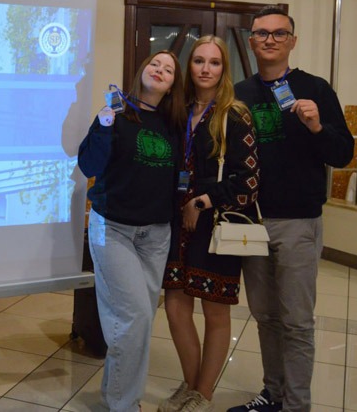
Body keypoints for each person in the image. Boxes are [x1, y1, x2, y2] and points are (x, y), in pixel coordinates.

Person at [229, 6, 354, 412]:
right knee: (265, 317)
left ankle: (297, 405)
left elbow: (343, 153)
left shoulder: (315, 89)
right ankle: (274, 394)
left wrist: (316, 127)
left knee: (297, 322)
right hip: (252, 222)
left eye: (279, 33)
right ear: (251, 41)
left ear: (292, 41)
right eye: (262, 33)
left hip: (298, 221)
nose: (270, 39)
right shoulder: (240, 93)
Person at [78, 51, 186, 412]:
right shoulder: (117, 114)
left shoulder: (174, 125)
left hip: (156, 235)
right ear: (142, 70)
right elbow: (89, 165)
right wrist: (103, 125)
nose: (160, 70)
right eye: (155, 64)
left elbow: (178, 178)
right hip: (113, 229)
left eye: (168, 69)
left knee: (138, 322)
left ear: (173, 85)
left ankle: (117, 397)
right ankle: (125, 405)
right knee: (135, 318)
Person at [159, 36, 260, 412]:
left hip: (214, 223)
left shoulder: (234, 114)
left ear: (223, 69)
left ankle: (203, 393)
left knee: (215, 311)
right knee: (175, 306)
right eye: (199, 61)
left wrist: (202, 201)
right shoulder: (178, 110)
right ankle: (189, 385)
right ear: (189, 66)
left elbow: (249, 180)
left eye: (214, 62)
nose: (205, 68)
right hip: (176, 223)